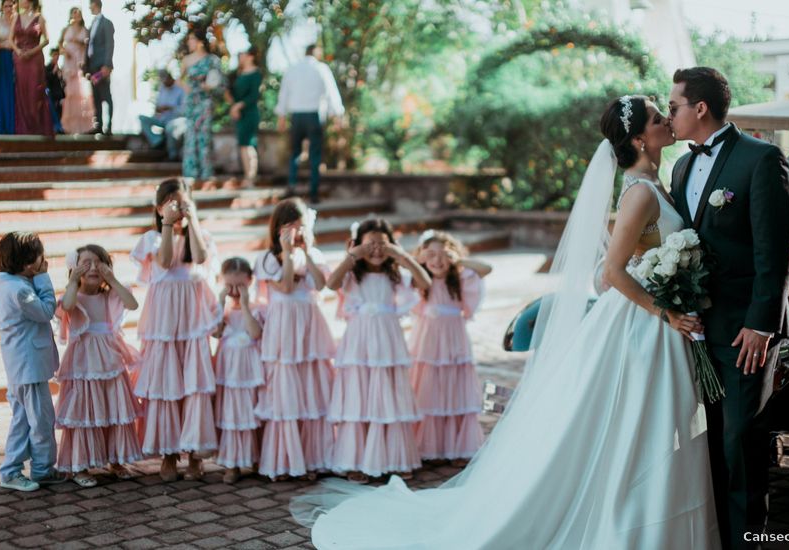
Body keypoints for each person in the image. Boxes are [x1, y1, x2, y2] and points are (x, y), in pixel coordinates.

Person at [291, 95, 721, 549]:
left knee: (650, 422)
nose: (667, 122)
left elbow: (634, 261)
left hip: (658, 325)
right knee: (640, 424)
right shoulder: (639, 193)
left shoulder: (659, 183)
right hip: (646, 324)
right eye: (658, 118)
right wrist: (666, 309)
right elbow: (612, 274)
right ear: (639, 138)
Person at [668, 67, 789, 550]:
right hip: (696, 331)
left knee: (740, 447)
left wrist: (761, 325)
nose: (670, 114)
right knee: (709, 453)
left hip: (745, 336)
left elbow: (778, 249)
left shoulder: (761, 159)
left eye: (675, 105)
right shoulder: (679, 168)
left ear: (700, 108)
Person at [324, 218, 431, 484]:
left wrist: (401, 255)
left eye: (382, 244)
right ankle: (357, 459)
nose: (376, 250)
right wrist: (352, 255)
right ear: (358, 244)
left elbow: (425, 281)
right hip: (359, 340)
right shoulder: (352, 272)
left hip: (387, 339)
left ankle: (394, 458)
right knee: (360, 396)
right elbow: (331, 283)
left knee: (388, 394)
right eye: (370, 244)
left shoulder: (395, 273)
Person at [130, 179, 220, 482]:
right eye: (170, 204)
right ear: (158, 208)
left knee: (194, 385)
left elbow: (201, 257)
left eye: (181, 204)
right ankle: (169, 452)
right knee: (166, 386)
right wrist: (168, 225)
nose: (177, 210)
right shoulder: (152, 239)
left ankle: (195, 453)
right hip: (164, 324)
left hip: (193, 323)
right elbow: (166, 261)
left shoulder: (201, 235)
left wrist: (192, 220)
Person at [253, 198, 335, 481]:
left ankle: (314, 458)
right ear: (278, 228)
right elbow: (286, 286)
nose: (295, 233)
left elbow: (321, 284)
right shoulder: (265, 258)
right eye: (289, 227)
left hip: (310, 322)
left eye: (300, 228)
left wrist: (307, 252)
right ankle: (286, 460)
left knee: (311, 385)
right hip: (283, 325)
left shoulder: (314, 254)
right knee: (285, 387)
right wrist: (288, 255)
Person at [55, 244, 142, 487]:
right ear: (75, 267)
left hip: (110, 359)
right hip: (83, 362)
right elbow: (69, 306)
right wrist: (73, 281)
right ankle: (80, 466)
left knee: (113, 407)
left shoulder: (109, 295)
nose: (93, 267)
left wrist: (111, 279)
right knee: (85, 410)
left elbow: (132, 303)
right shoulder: (72, 294)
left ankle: (115, 460)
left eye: (98, 263)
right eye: (86, 263)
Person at [409, 230, 492, 465]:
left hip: (454, 340)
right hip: (427, 341)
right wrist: (419, 259)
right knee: (428, 387)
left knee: (454, 390)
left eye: (443, 255)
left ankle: (457, 448)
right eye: (431, 255)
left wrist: (459, 260)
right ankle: (429, 446)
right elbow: (405, 271)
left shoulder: (460, 277)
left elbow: (486, 269)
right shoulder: (419, 280)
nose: (437, 261)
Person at [0, 231, 67, 491]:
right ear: (27, 265)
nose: (43, 261)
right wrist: (43, 277)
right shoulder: (20, 291)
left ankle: (12, 470)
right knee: (42, 420)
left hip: (20, 367)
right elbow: (46, 311)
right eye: (40, 258)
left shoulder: (7, 283)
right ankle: (42, 469)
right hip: (29, 367)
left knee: (23, 419)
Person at [212, 258, 265, 485]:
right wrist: (219, 303)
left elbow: (255, 333)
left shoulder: (257, 308)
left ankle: (256, 458)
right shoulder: (222, 310)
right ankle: (232, 463)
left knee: (251, 412)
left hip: (249, 370)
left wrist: (244, 305)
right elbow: (215, 332)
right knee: (231, 414)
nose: (234, 291)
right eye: (229, 286)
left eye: (239, 286)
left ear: (250, 281)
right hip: (228, 372)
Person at [275, 44, 344, 204]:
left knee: (295, 153)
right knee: (315, 155)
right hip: (314, 115)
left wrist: (282, 117)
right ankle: (313, 192)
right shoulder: (321, 69)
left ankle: (291, 187)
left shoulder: (293, 69)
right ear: (316, 53)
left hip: (297, 116)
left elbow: (284, 93)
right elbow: (331, 93)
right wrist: (337, 116)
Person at [179, 28, 222, 182]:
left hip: (205, 101)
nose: (189, 42)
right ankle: (191, 171)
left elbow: (218, 81)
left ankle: (206, 172)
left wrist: (209, 86)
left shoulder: (212, 60)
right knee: (191, 135)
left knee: (204, 136)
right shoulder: (186, 60)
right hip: (191, 102)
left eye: (192, 39)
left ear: (200, 42)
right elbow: (179, 79)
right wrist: (188, 89)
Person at [12, 0, 52, 136]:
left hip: (34, 58)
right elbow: (11, 40)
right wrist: (17, 51)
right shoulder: (15, 17)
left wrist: (32, 51)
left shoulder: (39, 17)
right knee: (21, 91)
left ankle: (37, 126)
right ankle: (23, 128)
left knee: (35, 91)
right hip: (20, 58)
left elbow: (47, 40)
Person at [228, 46, 262, 188]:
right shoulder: (239, 74)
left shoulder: (256, 74)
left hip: (250, 113)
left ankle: (250, 177)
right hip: (240, 114)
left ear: (250, 56)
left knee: (246, 144)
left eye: (243, 54)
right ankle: (249, 176)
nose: (240, 57)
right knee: (245, 145)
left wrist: (238, 106)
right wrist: (233, 106)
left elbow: (254, 95)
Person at [58, 7, 94, 135]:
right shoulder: (65, 30)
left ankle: (83, 127)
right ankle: (70, 127)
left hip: (80, 62)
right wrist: (65, 52)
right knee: (70, 94)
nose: (76, 15)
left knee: (81, 93)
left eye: (78, 13)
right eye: (74, 13)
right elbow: (60, 46)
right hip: (69, 63)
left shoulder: (85, 30)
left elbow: (88, 46)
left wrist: (78, 42)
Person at [138, 69, 185, 160]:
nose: (164, 83)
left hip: (174, 119)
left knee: (170, 128)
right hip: (162, 118)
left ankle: (172, 155)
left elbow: (184, 109)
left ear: (170, 77)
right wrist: (158, 109)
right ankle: (157, 141)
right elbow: (158, 104)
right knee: (143, 119)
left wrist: (171, 108)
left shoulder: (180, 89)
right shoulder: (162, 89)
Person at [85, 0, 113, 135]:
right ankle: (99, 125)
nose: (89, 7)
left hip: (103, 67)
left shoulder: (106, 23)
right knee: (96, 97)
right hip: (93, 66)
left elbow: (109, 44)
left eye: (90, 4)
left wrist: (107, 65)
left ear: (95, 5)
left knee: (106, 96)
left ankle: (109, 126)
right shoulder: (92, 25)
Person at [0, 0, 16, 134]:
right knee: (2, 89)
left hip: (16, 58)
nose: (8, 8)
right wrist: (5, 45)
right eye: (6, 6)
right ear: (2, 8)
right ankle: (1, 123)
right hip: (2, 58)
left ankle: (16, 124)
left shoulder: (18, 21)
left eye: (11, 6)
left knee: (15, 89)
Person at [44, 47, 65, 134]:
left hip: (59, 94)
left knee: (60, 110)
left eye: (57, 55)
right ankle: (56, 127)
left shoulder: (60, 68)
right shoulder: (48, 67)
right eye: (54, 55)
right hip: (51, 92)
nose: (56, 57)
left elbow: (62, 83)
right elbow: (46, 79)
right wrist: (53, 72)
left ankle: (60, 127)